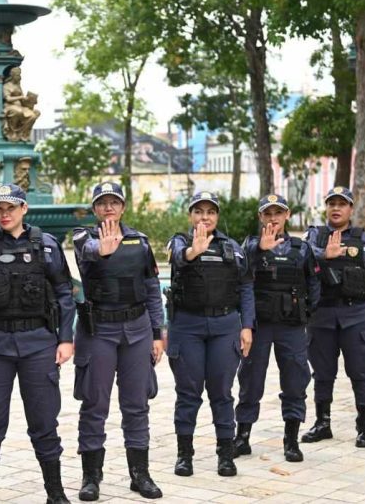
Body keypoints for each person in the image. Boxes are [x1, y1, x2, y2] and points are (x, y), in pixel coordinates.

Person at [0, 183, 76, 504]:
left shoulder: (46, 245)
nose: (5, 214)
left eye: (11, 208)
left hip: (38, 342)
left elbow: (65, 294)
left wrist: (65, 339)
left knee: (43, 420)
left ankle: (55, 492)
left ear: (24, 209)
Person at [70, 182, 163, 501]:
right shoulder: (84, 237)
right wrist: (103, 249)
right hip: (99, 331)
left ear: (123, 207)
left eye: (114, 202)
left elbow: (152, 288)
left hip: (137, 330)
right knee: (95, 404)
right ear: (95, 209)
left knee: (137, 404)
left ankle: (140, 474)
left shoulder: (141, 241)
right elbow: (87, 253)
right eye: (102, 203)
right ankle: (91, 476)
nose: (108, 208)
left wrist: (158, 332)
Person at [166, 191, 253, 477]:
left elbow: (245, 287)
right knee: (188, 393)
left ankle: (226, 455)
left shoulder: (232, 248)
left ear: (217, 216)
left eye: (211, 212)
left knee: (221, 393)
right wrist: (194, 251)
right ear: (190, 215)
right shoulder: (179, 241)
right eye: (199, 211)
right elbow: (178, 258)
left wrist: (247, 326)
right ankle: (184, 454)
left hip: (225, 326)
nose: (205, 217)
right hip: (187, 326)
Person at [233, 194, 319, 463]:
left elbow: (314, 284)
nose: (273, 218)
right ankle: (243, 437)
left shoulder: (301, 249)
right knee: (250, 381)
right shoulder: (249, 246)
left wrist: (305, 313)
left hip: (291, 327)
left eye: (278, 213)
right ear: (260, 217)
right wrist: (259, 249)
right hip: (259, 326)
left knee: (295, 380)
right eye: (267, 213)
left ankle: (291, 439)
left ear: (287, 215)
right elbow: (238, 274)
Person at [302, 187, 365, 448]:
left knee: (362, 372)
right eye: (332, 204)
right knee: (322, 373)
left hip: (357, 316)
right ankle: (322, 423)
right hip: (322, 316)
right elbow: (303, 262)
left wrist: (360, 294)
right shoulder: (314, 238)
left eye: (342, 204)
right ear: (326, 208)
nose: (336, 208)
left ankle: (364, 427)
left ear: (351, 209)